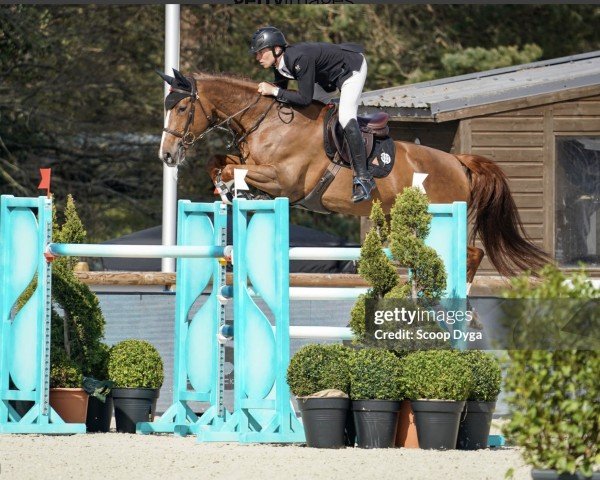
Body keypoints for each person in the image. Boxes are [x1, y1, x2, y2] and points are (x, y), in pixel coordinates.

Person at [250, 26, 376, 203]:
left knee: (346, 116)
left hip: (350, 70)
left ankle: (363, 178)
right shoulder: (279, 64)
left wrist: (274, 91)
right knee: (307, 116)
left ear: (276, 49)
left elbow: (303, 98)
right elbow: (282, 91)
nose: (257, 58)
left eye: (261, 52)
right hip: (326, 81)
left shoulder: (299, 58)